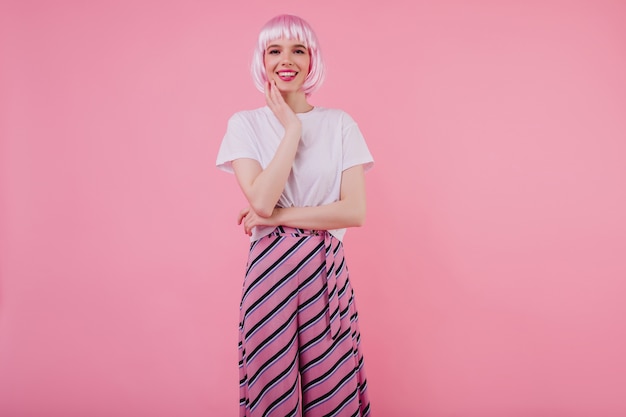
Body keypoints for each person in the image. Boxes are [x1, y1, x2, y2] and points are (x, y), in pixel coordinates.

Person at [216, 14, 373, 417]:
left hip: (325, 272)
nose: (287, 60)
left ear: (312, 59)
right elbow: (261, 203)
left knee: (333, 391)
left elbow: (353, 211)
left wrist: (282, 214)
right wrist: (291, 130)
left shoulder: (340, 124)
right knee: (271, 392)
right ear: (262, 60)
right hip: (270, 275)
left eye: (298, 50)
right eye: (275, 50)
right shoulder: (245, 124)